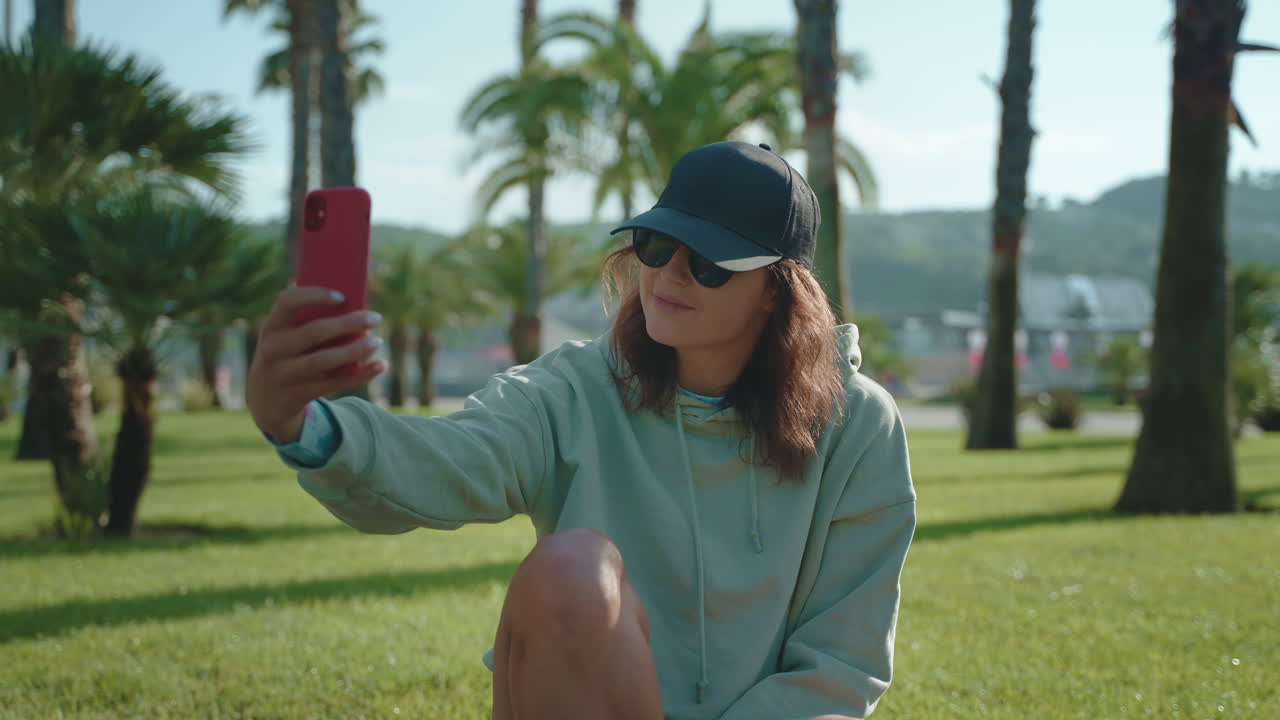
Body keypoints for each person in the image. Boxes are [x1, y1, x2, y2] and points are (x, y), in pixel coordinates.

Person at [247, 141, 917, 720]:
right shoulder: (572, 391)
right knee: (572, 571)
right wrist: (304, 425)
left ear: (777, 290)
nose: (669, 274)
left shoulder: (858, 424)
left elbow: (838, 664)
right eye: (656, 244)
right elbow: (450, 460)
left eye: (710, 261)